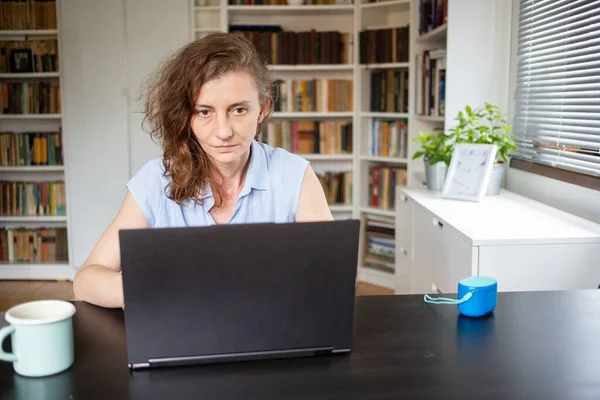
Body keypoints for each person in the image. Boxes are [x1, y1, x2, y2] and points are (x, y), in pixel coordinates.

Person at [73, 33, 333, 309]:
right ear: (186, 115)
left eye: (239, 110)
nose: (223, 132)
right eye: (204, 112)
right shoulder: (154, 181)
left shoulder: (295, 174)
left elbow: (333, 273)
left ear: (263, 109)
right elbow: (86, 279)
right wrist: (141, 288)